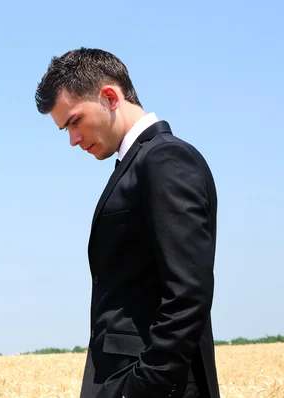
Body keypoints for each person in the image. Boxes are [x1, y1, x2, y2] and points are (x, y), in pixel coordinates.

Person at [34, 48, 221, 398]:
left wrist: (137, 387)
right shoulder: (137, 164)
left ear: (109, 96)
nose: (73, 140)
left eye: (74, 121)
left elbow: (188, 294)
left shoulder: (165, 159)